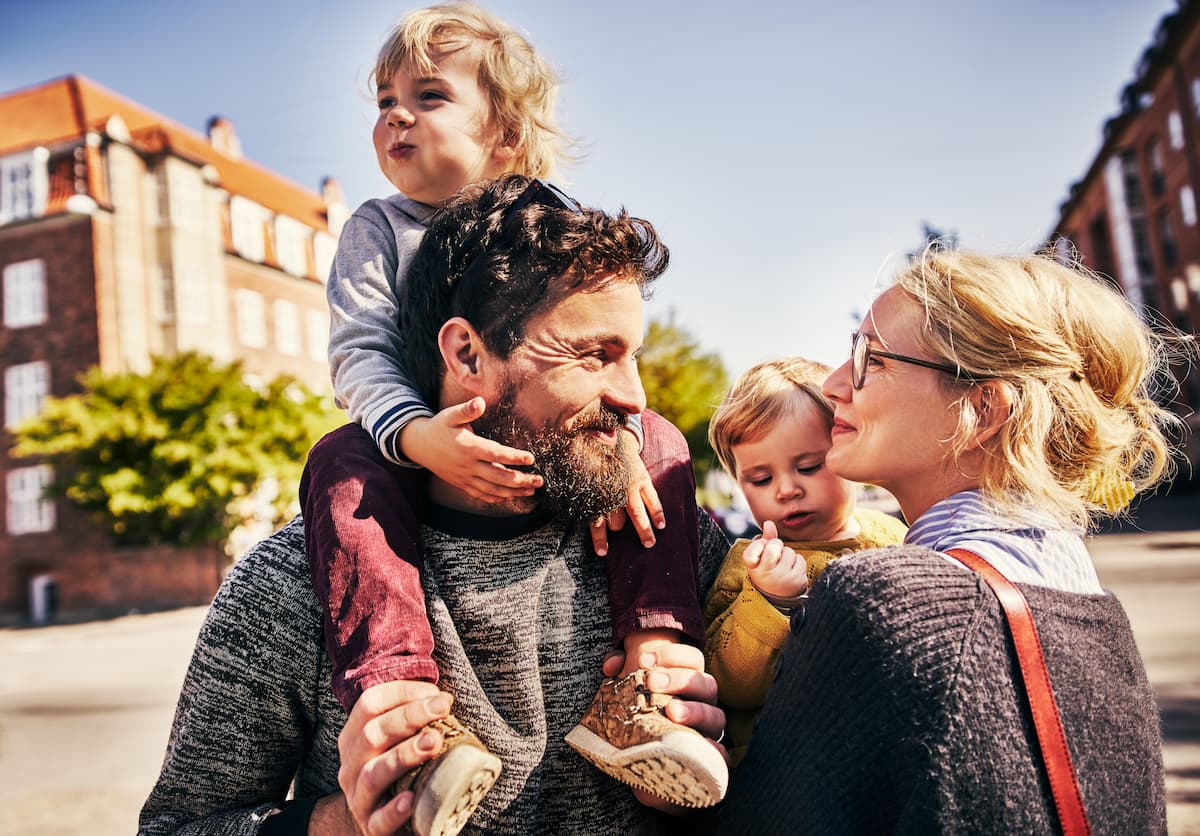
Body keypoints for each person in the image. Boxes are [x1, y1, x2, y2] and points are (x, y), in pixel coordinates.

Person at [139, 175, 731, 836]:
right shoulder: (291, 582)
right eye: (594, 355)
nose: (635, 397)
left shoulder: (668, 540)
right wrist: (347, 823)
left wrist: (710, 791)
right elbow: (178, 828)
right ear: (466, 353)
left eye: (633, 357)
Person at [306, 4, 712, 826]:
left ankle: (644, 684)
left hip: (543, 453)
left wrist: (621, 448)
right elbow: (359, 354)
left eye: (427, 95)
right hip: (411, 445)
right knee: (340, 459)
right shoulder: (377, 229)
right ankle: (412, 707)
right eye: (383, 99)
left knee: (661, 440)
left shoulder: (554, 225)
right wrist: (419, 437)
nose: (394, 114)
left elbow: (599, 353)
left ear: (508, 135)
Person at [716, 249, 1184, 834]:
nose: (834, 384)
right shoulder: (1082, 595)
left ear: (982, 408)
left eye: (870, 359)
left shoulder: (892, 598)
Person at [701, 357, 907, 764]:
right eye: (761, 479)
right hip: (784, 769)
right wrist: (769, 600)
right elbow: (730, 685)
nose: (787, 489)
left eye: (809, 466)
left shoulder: (895, 535)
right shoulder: (750, 566)